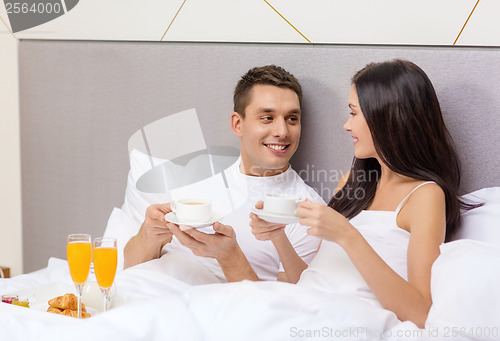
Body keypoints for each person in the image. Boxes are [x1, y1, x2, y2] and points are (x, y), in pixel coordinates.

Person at [250, 59, 477, 327]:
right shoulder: (351, 185)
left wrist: (346, 234)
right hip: (305, 309)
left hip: (345, 322)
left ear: (387, 117)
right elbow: (313, 280)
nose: (347, 125)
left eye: (354, 113)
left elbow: (419, 312)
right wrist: (279, 237)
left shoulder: (424, 196)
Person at [123, 65, 324, 283]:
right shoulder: (198, 178)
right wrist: (149, 233)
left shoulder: (308, 210)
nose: (282, 131)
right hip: (145, 297)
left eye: (292, 119)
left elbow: (286, 308)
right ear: (238, 124)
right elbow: (130, 268)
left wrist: (229, 256)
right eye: (267, 117)